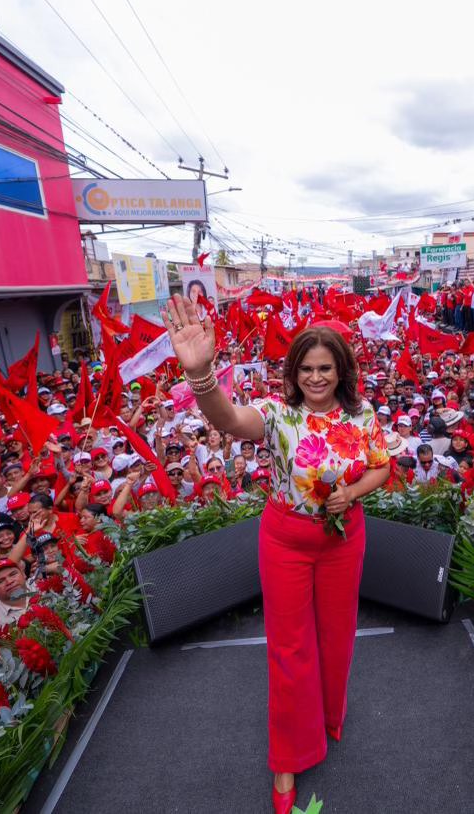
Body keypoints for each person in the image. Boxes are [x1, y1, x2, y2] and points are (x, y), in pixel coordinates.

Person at [161, 295, 392, 813]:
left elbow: (382, 467)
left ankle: (329, 715)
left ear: (341, 370)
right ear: (293, 372)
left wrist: (353, 493)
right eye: (306, 368)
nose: (315, 377)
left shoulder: (363, 415)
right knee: (289, 651)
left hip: (344, 541)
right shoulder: (276, 414)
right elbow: (228, 419)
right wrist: (200, 374)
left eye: (325, 368)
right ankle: (288, 758)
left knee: (337, 638)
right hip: (286, 543)